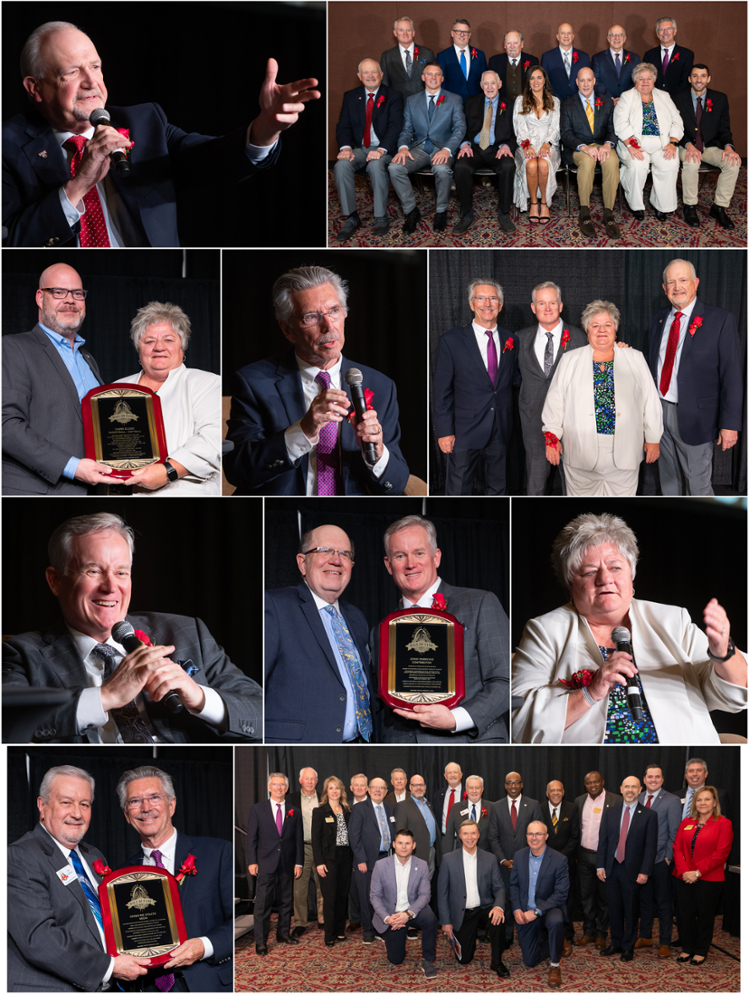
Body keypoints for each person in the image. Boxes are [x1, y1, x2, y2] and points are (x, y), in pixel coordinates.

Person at [3, 22, 319, 247]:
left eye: (95, 67)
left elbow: (212, 159)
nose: (91, 82)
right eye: (72, 72)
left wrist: (266, 126)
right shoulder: (9, 146)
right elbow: (11, 240)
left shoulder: (143, 122)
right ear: (35, 88)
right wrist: (78, 185)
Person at [2, 512, 262, 743]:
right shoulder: (21, 655)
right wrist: (105, 696)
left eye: (121, 573)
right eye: (93, 571)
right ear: (55, 580)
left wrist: (200, 698)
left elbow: (263, 712)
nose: (111, 587)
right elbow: (9, 724)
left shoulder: (185, 632)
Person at [512, 512, 747, 743]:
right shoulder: (544, 631)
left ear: (631, 576)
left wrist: (724, 652)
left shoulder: (672, 620)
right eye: (590, 572)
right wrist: (590, 691)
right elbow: (516, 719)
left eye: (615, 568)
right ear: (570, 585)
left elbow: (736, 696)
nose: (605, 579)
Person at [225, 265, 409, 495]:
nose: (328, 326)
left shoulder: (381, 385)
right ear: (288, 329)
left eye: (334, 311)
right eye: (311, 316)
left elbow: (396, 485)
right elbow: (238, 471)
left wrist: (377, 456)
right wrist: (302, 431)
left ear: (345, 313)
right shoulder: (253, 382)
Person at [7, 765, 148, 992]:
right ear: (42, 806)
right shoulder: (20, 856)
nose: (77, 813)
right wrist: (109, 967)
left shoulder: (93, 856)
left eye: (84, 804)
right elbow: (39, 937)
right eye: (66, 802)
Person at [377, 514, 510, 742]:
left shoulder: (480, 603)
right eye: (400, 556)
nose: (410, 564)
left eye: (419, 553)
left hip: (469, 742)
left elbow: (506, 681)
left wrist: (456, 719)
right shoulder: (380, 629)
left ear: (436, 557)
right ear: (389, 565)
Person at [2, 262, 114, 495]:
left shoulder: (88, 359)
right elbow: (6, 426)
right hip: (34, 493)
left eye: (77, 293)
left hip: (89, 492)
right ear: (40, 298)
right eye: (59, 292)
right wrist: (73, 467)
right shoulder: (13, 347)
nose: (70, 300)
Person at [119, 765, 232, 992]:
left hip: (209, 983)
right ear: (126, 815)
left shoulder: (217, 853)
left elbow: (238, 920)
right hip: (150, 987)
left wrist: (204, 945)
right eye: (134, 801)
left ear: (171, 805)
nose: (145, 808)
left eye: (154, 797)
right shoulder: (123, 876)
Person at [264, 524, 373, 744]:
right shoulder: (274, 606)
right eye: (324, 550)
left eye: (345, 554)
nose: (336, 560)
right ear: (302, 563)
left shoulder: (357, 618)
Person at [542, 300, 663, 496]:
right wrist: (551, 438)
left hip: (625, 449)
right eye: (595, 325)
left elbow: (650, 400)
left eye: (607, 325)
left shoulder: (635, 358)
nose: (602, 330)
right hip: (580, 450)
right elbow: (555, 402)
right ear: (587, 330)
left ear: (615, 330)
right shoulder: (570, 360)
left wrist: (653, 438)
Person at [647, 258, 742, 495]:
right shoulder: (658, 320)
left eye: (683, 280)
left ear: (695, 283)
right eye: (671, 282)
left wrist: (730, 424)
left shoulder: (720, 320)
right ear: (664, 288)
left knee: (698, 486)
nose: (677, 287)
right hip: (660, 413)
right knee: (669, 484)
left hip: (697, 418)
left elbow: (731, 375)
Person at [117, 301, 220, 495]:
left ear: (183, 344)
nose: (159, 347)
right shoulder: (116, 389)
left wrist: (168, 471)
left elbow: (211, 441)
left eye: (168, 340)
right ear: (139, 348)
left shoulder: (207, 383)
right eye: (149, 341)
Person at [432, 278, 517, 495]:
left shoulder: (511, 340)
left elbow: (516, 380)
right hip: (463, 431)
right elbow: (441, 391)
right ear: (471, 304)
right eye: (481, 298)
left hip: (500, 428)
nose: (487, 303)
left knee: (498, 489)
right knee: (459, 489)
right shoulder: (451, 340)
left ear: (500, 304)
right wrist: (444, 432)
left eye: (493, 298)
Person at [515, 282, 586, 495]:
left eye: (552, 302)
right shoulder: (519, 338)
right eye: (541, 303)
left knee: (573, 486)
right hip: (534, 423)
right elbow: (514, 376)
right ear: (533, 307)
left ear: (561, 306)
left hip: (571, 424)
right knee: (535, 485)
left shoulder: (580, 337)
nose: (547, 308)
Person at [388, 63, 465, 234]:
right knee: (395, 167)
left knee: (442, 170)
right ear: (423, 77)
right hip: (419, 147)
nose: (433, 77)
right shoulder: (411, 100)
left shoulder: (454, 99)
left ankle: (441, 211)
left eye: (437, 74)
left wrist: (448, 150)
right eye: (429, 74)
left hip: (443, 147)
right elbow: (406, 130)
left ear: (442, 78)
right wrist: (402, 147)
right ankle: (411, 211)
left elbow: (460, 128)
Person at [334, 60, 404, 241]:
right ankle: (352, 216)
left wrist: (381, 150)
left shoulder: (394, 96)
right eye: (366, 73)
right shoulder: (350, 96)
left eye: (374, 72)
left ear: (381, 75)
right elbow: (343, 126)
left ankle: (381, 216)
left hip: (384, 148)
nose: (370, 76)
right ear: (359, 76)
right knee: (341, 165)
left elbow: (395, 126)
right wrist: (346, 148)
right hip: (360, 147)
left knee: (375, 165)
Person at [596, 776, 658, 960]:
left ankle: (628, 946)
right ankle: (616, 943)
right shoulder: (610, 812)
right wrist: (600, 865)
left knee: (631, 909)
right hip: (611, 868)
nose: (630, 790)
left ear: (640, 790)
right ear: (621, 789)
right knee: (613, 908)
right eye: (627, 786)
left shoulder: (649, 815)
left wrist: (645, 871)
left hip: (633, 870)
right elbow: (603, 841)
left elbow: (650, 847)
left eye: (634, 787)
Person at [672, 785, 734, 965]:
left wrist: (697, 872)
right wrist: (685, 871)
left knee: (705, 915)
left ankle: (701, 950)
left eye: (707, 799)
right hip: (683, 876)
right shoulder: (686, 822)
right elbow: (677, 848)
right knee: (685, 915)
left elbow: (721, 853)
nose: (703, 803)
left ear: (715, 803)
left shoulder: (724, 823)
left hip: (708, 879)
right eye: (699, 799)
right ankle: (687, 948)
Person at [613, 63, 683, 221]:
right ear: (635, 81)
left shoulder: (664, 96)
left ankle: (661, 205)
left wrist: (673, 143)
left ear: (654, 80)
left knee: (670, 163)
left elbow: (677, 121)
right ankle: (636, 205)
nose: (645, 81)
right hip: (634, 144)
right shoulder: (627, 96)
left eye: (649, 78)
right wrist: (631, 145)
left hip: (662, 143)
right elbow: (620, 123)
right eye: (641, 78)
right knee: (638, 165)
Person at [439, 820, 508, 977]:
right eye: (465, 833)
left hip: (484, 907)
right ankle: (459, 937)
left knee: (498, 918)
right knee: (464, 959)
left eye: (473, 833)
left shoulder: (490, 858)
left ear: (478, 835)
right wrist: (446, 922)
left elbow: (499, 888)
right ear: (459, 836)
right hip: (462, 913)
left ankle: (496, 961)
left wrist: (498, 906)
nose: (469, 837)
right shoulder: (448, 859)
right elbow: (442, 893)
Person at [674, 65, 740, 229]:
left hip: (710, 145)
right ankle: (690, 206)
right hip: (686, 144)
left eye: (703, 76)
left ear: (708, 79)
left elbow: (724, 129)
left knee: (733, 162)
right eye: (695, 76)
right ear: (689, 79)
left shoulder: (720, 99)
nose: (699, 80)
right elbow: (674, 127)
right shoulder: (677, 98)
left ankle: (719, 208)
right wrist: (688, 145)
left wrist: (729, 147)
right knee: (692, 161)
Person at [453, 71, 517, 235]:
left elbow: (516, 133)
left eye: (493, 83)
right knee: (461, 166)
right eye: (486, 83)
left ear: (499, 84)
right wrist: (464, 144)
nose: (489, 87)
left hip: (497, 148)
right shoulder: (470, 102)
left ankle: (504, 213)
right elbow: (461, 128)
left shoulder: (510, 105)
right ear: (481, 85)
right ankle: (466, 214)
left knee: (508, 165)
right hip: (473, 148)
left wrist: (507, 146)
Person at [560, 69, 621, 238]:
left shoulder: (607, 102)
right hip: (579, 148)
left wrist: (608, 145)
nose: (585, 84)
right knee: (587, 162)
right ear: (576, 83)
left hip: (603, 145)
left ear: (594, 81)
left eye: (589, 80)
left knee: (612, 162)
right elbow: (566, 134)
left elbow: (612, 130)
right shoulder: (567, 104)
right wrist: (584, 147)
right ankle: (584, 212)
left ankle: (608, 213)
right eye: (582, 81)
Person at [370, 828, 439, 978]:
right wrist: (388, 918)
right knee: (395, 959)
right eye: (400, 843)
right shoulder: (381, 865)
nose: (403, 847)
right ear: (394, 844)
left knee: (430, 918)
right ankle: (396, 940)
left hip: (413, 910)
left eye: (407, 843)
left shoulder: (421, 865)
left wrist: (408, 914)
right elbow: (375, 896)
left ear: (413, 845)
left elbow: (425, 895)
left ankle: (428, 959)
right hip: (391, 915)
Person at [247, 773, 303, 955]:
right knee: (263, 904)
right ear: (269, 787)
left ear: (286, 788)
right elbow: (252, 838)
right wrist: (252, 861)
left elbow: (298, 840)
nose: (279, 788)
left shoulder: (294, 811)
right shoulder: (258, 809)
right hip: (264, 863)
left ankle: (283, 933)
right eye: (275, 784)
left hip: (287, 862)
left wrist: (299, 863)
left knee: (286, 901)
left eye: (282, 785)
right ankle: (261, 942)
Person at [510, 821, 571, 987]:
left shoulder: (559, 860)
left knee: (556, 921)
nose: (534, 837)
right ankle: (558, 941)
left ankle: (555, 966)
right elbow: (513, 886)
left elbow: (561, 894)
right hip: (524, 910)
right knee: (530, 960)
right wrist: (516, 909)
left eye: (538, 834)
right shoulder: (519, 856)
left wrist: (536, 912)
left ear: (546, 836)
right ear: (526, 836)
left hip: (549, 908)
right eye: (530, 834)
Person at [488, 770, 543, 946]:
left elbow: (538, 835)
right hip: (504, 864)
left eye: (516, 782)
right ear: (505, 786)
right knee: (505, 899)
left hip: (528, 862)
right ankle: (506, 937)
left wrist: (521, 859)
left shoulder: (533, 805)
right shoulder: (496, 807)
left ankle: (527, 935)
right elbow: (493, 837)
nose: (513, 786)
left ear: (521, 785)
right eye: (509, 783)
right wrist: (503, 860)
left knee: (525, 898)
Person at [635, 765, 682, 957]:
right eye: (650, 776)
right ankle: (645, 936)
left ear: (662, 780)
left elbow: (675, 832)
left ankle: (665, 941)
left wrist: (668, 858)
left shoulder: (671, 801)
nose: (653, 780)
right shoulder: (636, 798)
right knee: (644, 901)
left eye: (657, 777)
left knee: (663, 903)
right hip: (640, 862)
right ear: (644, 779)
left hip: (661, 860)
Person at [574, 771, 621, 949]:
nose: (593, 785)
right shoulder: (579, 801)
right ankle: (588, 931)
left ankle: (602, 932)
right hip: (584, 856)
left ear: (602, 782)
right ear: (584, 785)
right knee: (586, 896)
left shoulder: (616, 800)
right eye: (588, 783)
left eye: (596, 781)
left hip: (605, 857)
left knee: (604, 897)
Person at [347, 777, 396, 944]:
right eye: (375, 787)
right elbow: (354, 836)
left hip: (387, 859)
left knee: (383, 897)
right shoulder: (360, 808)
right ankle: (368, 930)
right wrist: (360, 859)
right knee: (367, 896)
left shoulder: (391, 807)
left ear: (386, 791)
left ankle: (380, 929)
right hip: (366, 861)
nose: (378, 790)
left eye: (381, 788)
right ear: (368, 789)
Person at [512, 67, 561, 223]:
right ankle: (533, 203)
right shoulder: (520, 100)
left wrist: (547, 144)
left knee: (544, 164)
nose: (536, 81)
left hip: (549, 143)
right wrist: (527, 146)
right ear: (528, 81)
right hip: (527, 143)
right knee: (532, 165)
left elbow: (555, 127)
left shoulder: (555, 101)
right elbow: (519, 127)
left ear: (545, 80)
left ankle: (545, 203)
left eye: (539, 77)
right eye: (532, 78)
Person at [311, 776, 352, 946]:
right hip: (328, 860)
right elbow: (316, 840)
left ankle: (340, 930)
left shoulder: (348, 811)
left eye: (337, 788)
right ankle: (329, 934)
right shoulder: (320, 812)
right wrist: (319, 862)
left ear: (341, 791)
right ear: (326, 791)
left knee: (343, 896)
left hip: (346, 859)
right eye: (331, 788)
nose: (334, 791)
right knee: (330, 897)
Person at [287, 768, 323, 939]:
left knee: (322, 885)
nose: (309, 782)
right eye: (306, 779)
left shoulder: (324, 798)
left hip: (322, 847)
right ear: (300, 780)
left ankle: (323, 919)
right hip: (301, 848)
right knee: (299, 888)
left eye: (313, 779)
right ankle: (300, 922)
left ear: (317, 781)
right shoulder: (291, 799)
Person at [542, 780, 579, 945]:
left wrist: (561, 858)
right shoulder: (540, 809)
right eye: (552, 790)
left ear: (563, 792)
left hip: (566, 862)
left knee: (567, 897)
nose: (555, 793)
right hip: (544, 862)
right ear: (547, 793)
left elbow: (575, 836)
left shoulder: (572, 808)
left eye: (559, 790)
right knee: (546, 895)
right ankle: (547, 928)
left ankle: (566, 929)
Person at [394, 775, 441, 878]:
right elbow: (401, 832)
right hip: (415, 854)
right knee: (414, 886)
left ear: (425, 786)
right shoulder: (403, 806)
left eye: (421, 785)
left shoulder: (428, 804)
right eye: (415, 785)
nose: (419, 788)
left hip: (431, 852)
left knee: (426, 886)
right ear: (410, 787)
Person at [380, 17, 436, 99]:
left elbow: (435, 80)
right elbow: (384, 84)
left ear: (413, 33)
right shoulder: (387, 56)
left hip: (423, 103)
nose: (405, 33)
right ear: (395, 33)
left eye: (408, 30)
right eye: (401, 30)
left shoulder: (427, 53)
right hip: (398, 104)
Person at [437, 19, 487, 101]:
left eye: (465, 32)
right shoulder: (442, 56)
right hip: (452, 103)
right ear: (452, 33)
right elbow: (441, 83)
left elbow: (484, 81)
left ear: (470, 35)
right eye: (458, 31)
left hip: (475, 103)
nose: (462, 35)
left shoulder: (480, 55)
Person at [643, 17, 694, 96]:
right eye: (661, 29)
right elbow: (645, 79)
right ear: (657, 34)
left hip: (677, 101)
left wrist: (670, 99)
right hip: (653, 99)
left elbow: (685, 82)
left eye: (669, 28)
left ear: (675, 31)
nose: (665, 32)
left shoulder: (687, 55)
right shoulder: (649, 55)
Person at [541, 24, 590, 102]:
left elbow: (588, 82)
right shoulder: (547, 57)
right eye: (563, 33)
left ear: (573, 36)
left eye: (569, 33)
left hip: (578, 103)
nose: (566, 36)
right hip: (555, 102)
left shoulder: (584, 57)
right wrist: (555, 99)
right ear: (557, 36)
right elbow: (545, 81)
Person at [488, 31, 539, 105]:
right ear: (504, 45)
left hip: (527, 105)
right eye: (509, 43)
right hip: (502, 106)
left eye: (515, 43)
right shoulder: (494, 61)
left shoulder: (533, 61)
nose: (512, 46)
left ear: (522, 44)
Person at [592, 26, 641, 102]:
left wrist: (623, 98)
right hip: (605, 103)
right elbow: (595, 82)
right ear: (608, 38)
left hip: (628, 102)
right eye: (613, 35)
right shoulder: (597, 58)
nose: (617, 38)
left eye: (620, 35)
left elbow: (637, 81)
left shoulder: (635, 58)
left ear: (625, 38)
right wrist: (611, 99)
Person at [445, 775, 492, 851]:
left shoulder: (492, 808)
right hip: (460, 856)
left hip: (485, 856)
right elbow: (449, 837)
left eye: (477, 788)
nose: (474, 791)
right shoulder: (455, 808)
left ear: (482, 789)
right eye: (471, 788)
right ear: (466, 790)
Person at [432, 761, 463, 836]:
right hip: (443, 839)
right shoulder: (438, 795)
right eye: (449, 773)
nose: (452, 775)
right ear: (445, 776)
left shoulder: (468, 794)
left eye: (455, 772)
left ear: (460, 775)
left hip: (463, 839)